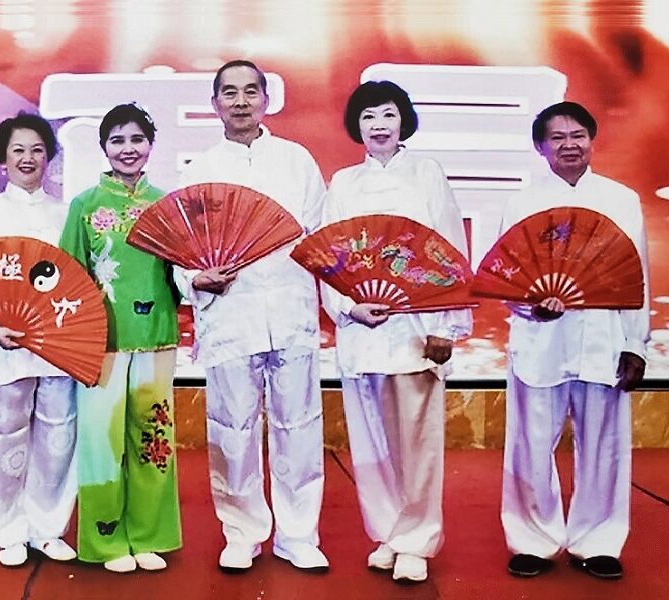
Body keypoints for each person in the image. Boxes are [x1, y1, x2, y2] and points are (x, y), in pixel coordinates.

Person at [173, 60, 328, 572]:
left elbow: (320, 238)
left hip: (289, 309)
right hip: (230, 314)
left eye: (250, 91)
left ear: (266, 98)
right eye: (229, 93)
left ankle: (298, 535)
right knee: (231, 426)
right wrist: (197, 280)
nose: (240, 101)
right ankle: (241, 532)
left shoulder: (296, 161)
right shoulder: (200, 170)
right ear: (214, 103)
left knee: (298, 425)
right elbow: (180, 248)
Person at [320, 80, 472, 583]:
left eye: (387, 114)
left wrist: (446, 325)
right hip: (363, 328)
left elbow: (449, 247)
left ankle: (418, 539)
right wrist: (349, 307)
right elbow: (329, 256)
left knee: (418, 439)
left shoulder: (427, 173)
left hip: (416, 328)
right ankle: (388, 532)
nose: (379, 126)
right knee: (371, 441)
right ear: (356, 126)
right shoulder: (343, 183)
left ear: (403, 119)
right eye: (368, 117)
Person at [500, 101, 649, 580]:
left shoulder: (621, 199)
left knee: (604, 443)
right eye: (557, 137)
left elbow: (637, 276)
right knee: (530, 442)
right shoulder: (522, 202)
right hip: (540, 339)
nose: (569, 145)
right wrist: (532, 306)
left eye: (578, 135)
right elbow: (507, 276)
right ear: (540, 147)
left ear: (592, 139)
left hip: (605, 338)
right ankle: (532, 539)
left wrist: (636, 344)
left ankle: (598, 541)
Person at [60, 103, 182, 573]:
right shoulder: (85, 205)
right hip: (101, 342)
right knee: (101, 443)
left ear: (150, 145)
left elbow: (182, 275)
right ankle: (106, 539)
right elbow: (69, 277)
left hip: (156, 335)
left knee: (153, 439)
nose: (128, 149)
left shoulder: (167, 205)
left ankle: (149, 535)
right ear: (103, 147)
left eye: (136, 139)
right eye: (117, 140)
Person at [0, 113, 78, 567]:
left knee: (58, 433)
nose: (28, 158)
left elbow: (80, 282)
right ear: (2, 159)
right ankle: (6, 530)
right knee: (2, 435)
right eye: (18, 150)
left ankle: (48, 527)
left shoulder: (66, 214)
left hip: (58, 347)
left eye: (37, 149)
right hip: (4, 344)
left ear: (49, 157)